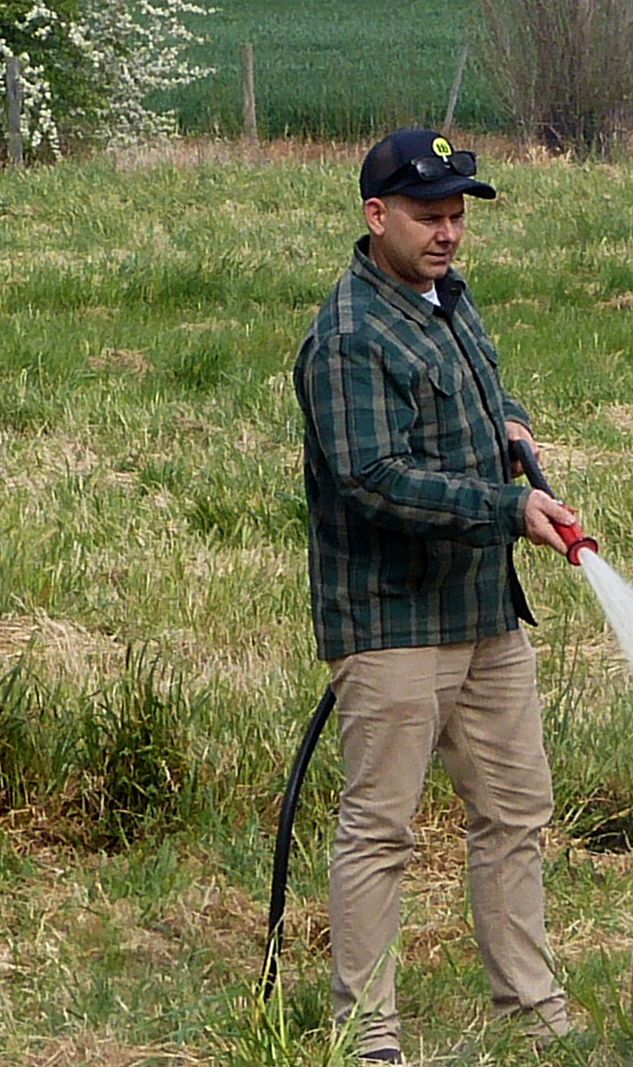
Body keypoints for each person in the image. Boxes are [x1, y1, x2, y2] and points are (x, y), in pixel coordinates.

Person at [292, 128, 579, 1063]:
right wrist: (508, 505)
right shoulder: (346, 336)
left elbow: (486, 394)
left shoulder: (447, 301)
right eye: (429, 216)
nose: (448, 233)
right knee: (381, 831)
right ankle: (368, 1034)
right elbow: (375, 477)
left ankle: (535, 1015)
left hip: (484, 615)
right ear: (377, 217)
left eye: (458, 216)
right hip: (391, 625)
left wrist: (516, 430)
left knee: (514, 815)